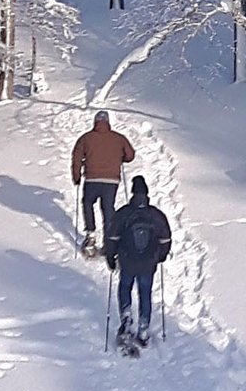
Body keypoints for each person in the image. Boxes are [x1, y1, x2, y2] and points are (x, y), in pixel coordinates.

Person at [104, 176, 171, 349]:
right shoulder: (156, 215)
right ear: (147, 194)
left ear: (133, 193)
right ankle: (143, 328)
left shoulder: (124, 213)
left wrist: (111, 258)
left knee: (125, 287)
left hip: (127, 260)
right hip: (148, 263)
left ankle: (126, 317)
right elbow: (165, 239)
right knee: (145, 292)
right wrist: (160, 256)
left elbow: (111, 237)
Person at [71, 110, 135, 255]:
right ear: (108, 122)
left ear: (95, 122)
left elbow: (76, 158)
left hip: (92, 179)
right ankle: (109, 240)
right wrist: (119, 158)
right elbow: (130, 155)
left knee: (87, 203)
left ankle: (91, 234)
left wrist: (76, 177)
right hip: (111, 180)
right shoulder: (119, 138)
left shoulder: (86, 138)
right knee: (108, 208)